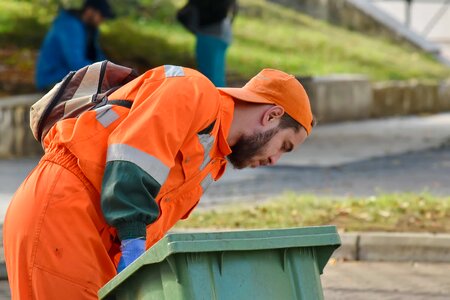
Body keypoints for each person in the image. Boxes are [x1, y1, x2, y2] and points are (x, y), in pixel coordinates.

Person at [4, 65, 315, 299]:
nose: (275, 160)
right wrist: (132, 238)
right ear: (272, 115)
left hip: (82, 224)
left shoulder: (213, 158)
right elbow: (133, 158)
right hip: (64, 211)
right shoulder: (194, 90)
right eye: (284, 146)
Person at [35, 0, 114, 91]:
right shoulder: (70, 26)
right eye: (101, 16)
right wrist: (105, 74)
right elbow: (76, 63)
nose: (102, 20)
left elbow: (98, 57)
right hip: (52, 79)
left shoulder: (90, 29)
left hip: (70, 77)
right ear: (90, 11)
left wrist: (111, 69)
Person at [177, 0, 238, 87]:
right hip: (221, 30)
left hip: (210, 32)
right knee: (216, 74)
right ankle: (218, 98)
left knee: (209, 77)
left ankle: (214, 99)